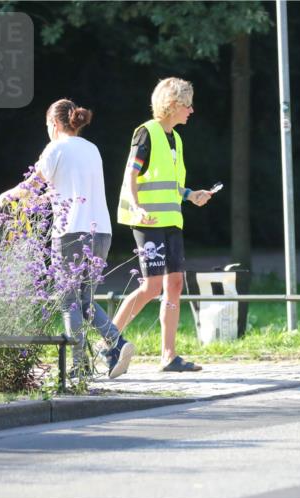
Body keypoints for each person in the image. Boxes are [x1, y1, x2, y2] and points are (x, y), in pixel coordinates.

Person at [0, 99, 135, 379]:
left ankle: (78, 365)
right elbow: (67, 188)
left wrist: (7, 196)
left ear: (53, 123)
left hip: (71, 232)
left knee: (68, 301)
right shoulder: (92, 149)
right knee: (84, 300)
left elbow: (32, 185)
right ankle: (116, 343)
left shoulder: (55, 148)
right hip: (101, 232)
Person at [111, 77, 213, 372]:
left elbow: (171, 186)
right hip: (148, 220)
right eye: (187, 104)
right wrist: (138, 208)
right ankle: (109, 341)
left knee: (175, 285)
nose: (192, 110)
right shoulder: (146, 132)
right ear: (172, 105)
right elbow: (131, 175)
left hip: (172, 222)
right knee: (152, 286)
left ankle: (168, 356)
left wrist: (191, 195)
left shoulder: (176, 139)